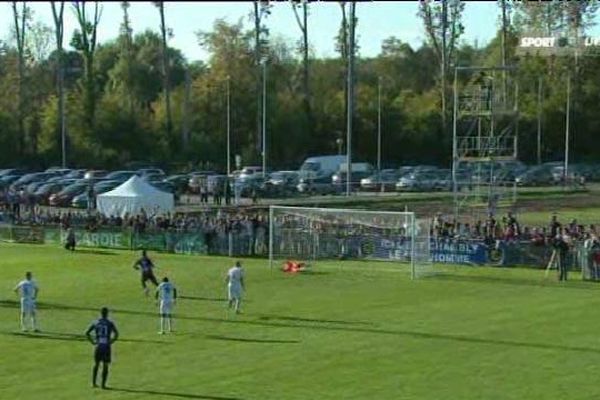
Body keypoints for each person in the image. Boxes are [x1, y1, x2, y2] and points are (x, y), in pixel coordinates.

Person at [85, 307, 119, 389]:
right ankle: (103, 385)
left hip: (98, 345)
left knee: (96, 364)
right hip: (106, 346)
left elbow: (87, 333)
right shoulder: (110, 323)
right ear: (107, 314)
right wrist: (111, 341)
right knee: (105, 365)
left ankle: (93, 383)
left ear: (100, 313)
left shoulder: (96, 322)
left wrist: (93, 341)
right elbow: (116, 334)